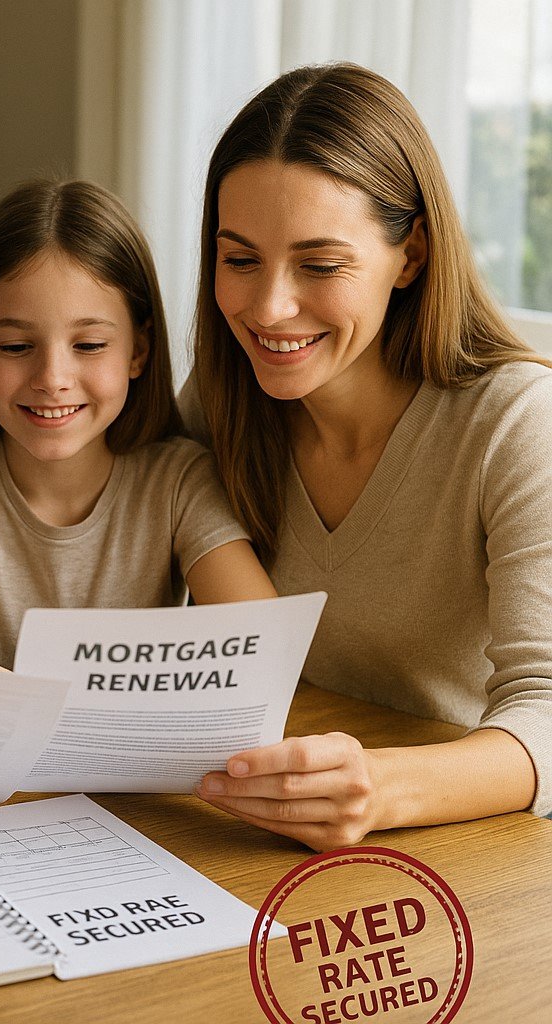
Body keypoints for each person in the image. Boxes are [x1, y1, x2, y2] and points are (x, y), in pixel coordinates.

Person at [185, 62, 552, 850]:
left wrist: (377, 786)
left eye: (320, 265)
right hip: (276, 834)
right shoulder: (217, 402)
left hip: (463, 849)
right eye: (239, 259)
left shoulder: (519, 422)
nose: (268, 308)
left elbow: (549, 712)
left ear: (411, 254)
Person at [0, 180, 276, 667]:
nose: (52, 380)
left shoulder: (180, 482)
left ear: (138, 351)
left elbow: (268, 657)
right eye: (16, 348)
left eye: (89, 346)